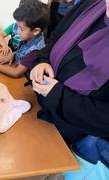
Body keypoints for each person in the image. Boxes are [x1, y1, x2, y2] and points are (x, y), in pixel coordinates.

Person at [30, 0, 109, 179]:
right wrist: (41, 61)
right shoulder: (93, 4)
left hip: (70, 141)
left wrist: (58, 94)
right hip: (38, 110)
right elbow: (56, 37)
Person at [0, 0, 49, 78]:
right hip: (16, 64)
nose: (18, 32)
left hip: (25, 78)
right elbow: (23, 51)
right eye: (17, 26)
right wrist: (13, 55)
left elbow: (16, 73)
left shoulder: (35, 51)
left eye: (21, 29)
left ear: (36, 31)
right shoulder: (30, 36)